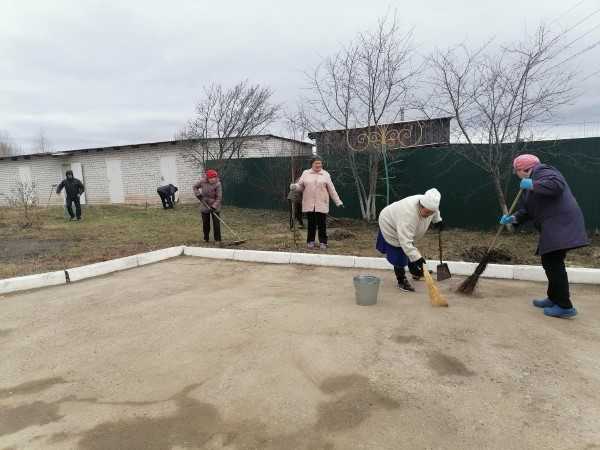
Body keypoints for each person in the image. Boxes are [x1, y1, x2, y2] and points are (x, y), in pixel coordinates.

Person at [500, 154, 589, 318]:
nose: (516, 174)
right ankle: (554, 298)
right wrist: (513, 218)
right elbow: (528, 210)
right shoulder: (530, 185)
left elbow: (556, 185)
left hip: (561, 223)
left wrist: (533, 184)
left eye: (516, 171)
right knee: (550, 261)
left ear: (523, 169)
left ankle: (564, 306)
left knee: (553, 262)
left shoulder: (542, 170)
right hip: (554, 226)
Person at [377, 188, 443, 292]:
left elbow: (435, 211)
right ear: (421, 205)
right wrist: (418, 259)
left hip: (402, 225)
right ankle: (401, 280)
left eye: (431, 213)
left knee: (411, 252)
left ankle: (415, 272)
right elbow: (405, 242)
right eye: (427, 212)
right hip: (389, 223)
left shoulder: (431, 204)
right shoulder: (408, 215)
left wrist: (437, 220)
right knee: (399, 253)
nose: (428, 215)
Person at [290, 156, 343, 249]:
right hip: (309, 202)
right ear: (312, 164)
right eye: (316, 163)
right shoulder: (306, 173)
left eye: (320, 163)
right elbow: (301, 186)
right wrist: (295, 186)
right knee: (311, 224)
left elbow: (332, 189)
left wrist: (338, 201)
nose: (318, 165)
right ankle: (310, 241)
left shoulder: (325, 174)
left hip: (321, 202)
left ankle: (323, 242)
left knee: (322, 224)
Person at [193, 169, 222, 243]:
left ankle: (217, 239)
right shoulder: (202, 182)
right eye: (211, 178)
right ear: (207, 178)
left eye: (214, 177)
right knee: (205, 223)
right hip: (204, 204)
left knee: (216, 224)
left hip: (215, 204)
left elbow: (219, 197)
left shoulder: (218, 184)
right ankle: (206, 238)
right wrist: (198, 195)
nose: (213, 179)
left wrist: (214, 206)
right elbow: (195, 187)